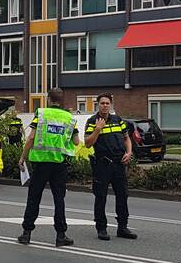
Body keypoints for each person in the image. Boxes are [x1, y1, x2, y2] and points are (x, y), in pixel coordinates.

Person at [18, 88, 79, 247]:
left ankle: (26, 234)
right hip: (59, 165)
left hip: (40, 163)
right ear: (61, 100)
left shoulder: (42, 113)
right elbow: (77, 141)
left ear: (49, 99)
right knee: (59, 200)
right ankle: (61, 236)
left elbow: (31, 137)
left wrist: (22, 157)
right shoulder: (69, 118)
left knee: (34, 198)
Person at [84, 94, 136, 240]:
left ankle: (122, 227)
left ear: (111, 105)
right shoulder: (92, 121)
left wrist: (129, 152)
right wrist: (97, 130)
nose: (105, 105)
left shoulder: (118, 120)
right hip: (102, 164)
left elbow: (127, 138)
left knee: (122, 195)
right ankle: (101, 228)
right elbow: (88, 143)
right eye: (102, 103)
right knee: (100, 197)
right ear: (97, 105)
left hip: (119, 163)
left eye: (107, 103)